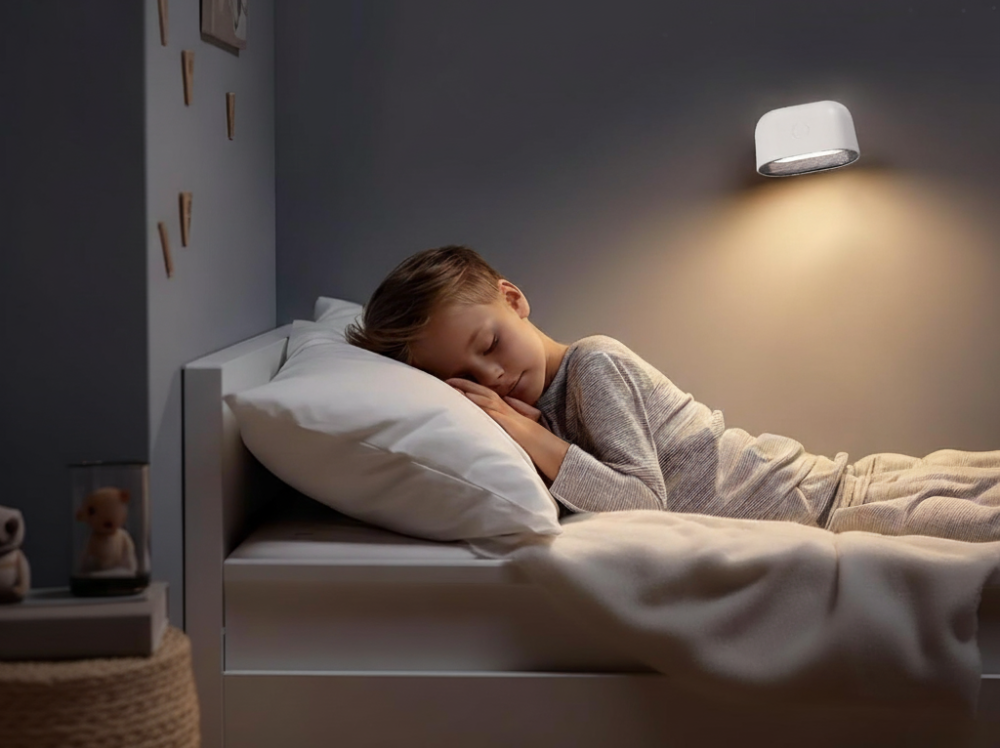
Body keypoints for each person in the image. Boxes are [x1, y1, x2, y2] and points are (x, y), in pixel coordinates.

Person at [345, 245, 1000, 542]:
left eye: (489, 344)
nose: (490, 377)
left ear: (513, 300)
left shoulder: (593, 364)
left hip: (830, 504)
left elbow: (641, 501)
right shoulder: (540, 407)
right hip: (826, 498)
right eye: (464, 377)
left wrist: (523, 433)